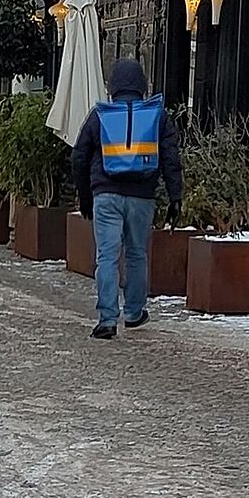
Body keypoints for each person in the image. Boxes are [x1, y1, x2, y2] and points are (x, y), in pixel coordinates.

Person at [71, 59, 183, 340]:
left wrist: (85, 195)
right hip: (142, 197)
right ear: (143, 86)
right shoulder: (157, 115)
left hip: (105, 195)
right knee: (136, 254)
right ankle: (134, 312)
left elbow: (78, 156)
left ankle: (107, 319)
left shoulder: (100, 115)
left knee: (106, 256)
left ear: (112, 87)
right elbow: (170, 159)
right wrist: (175, 198)